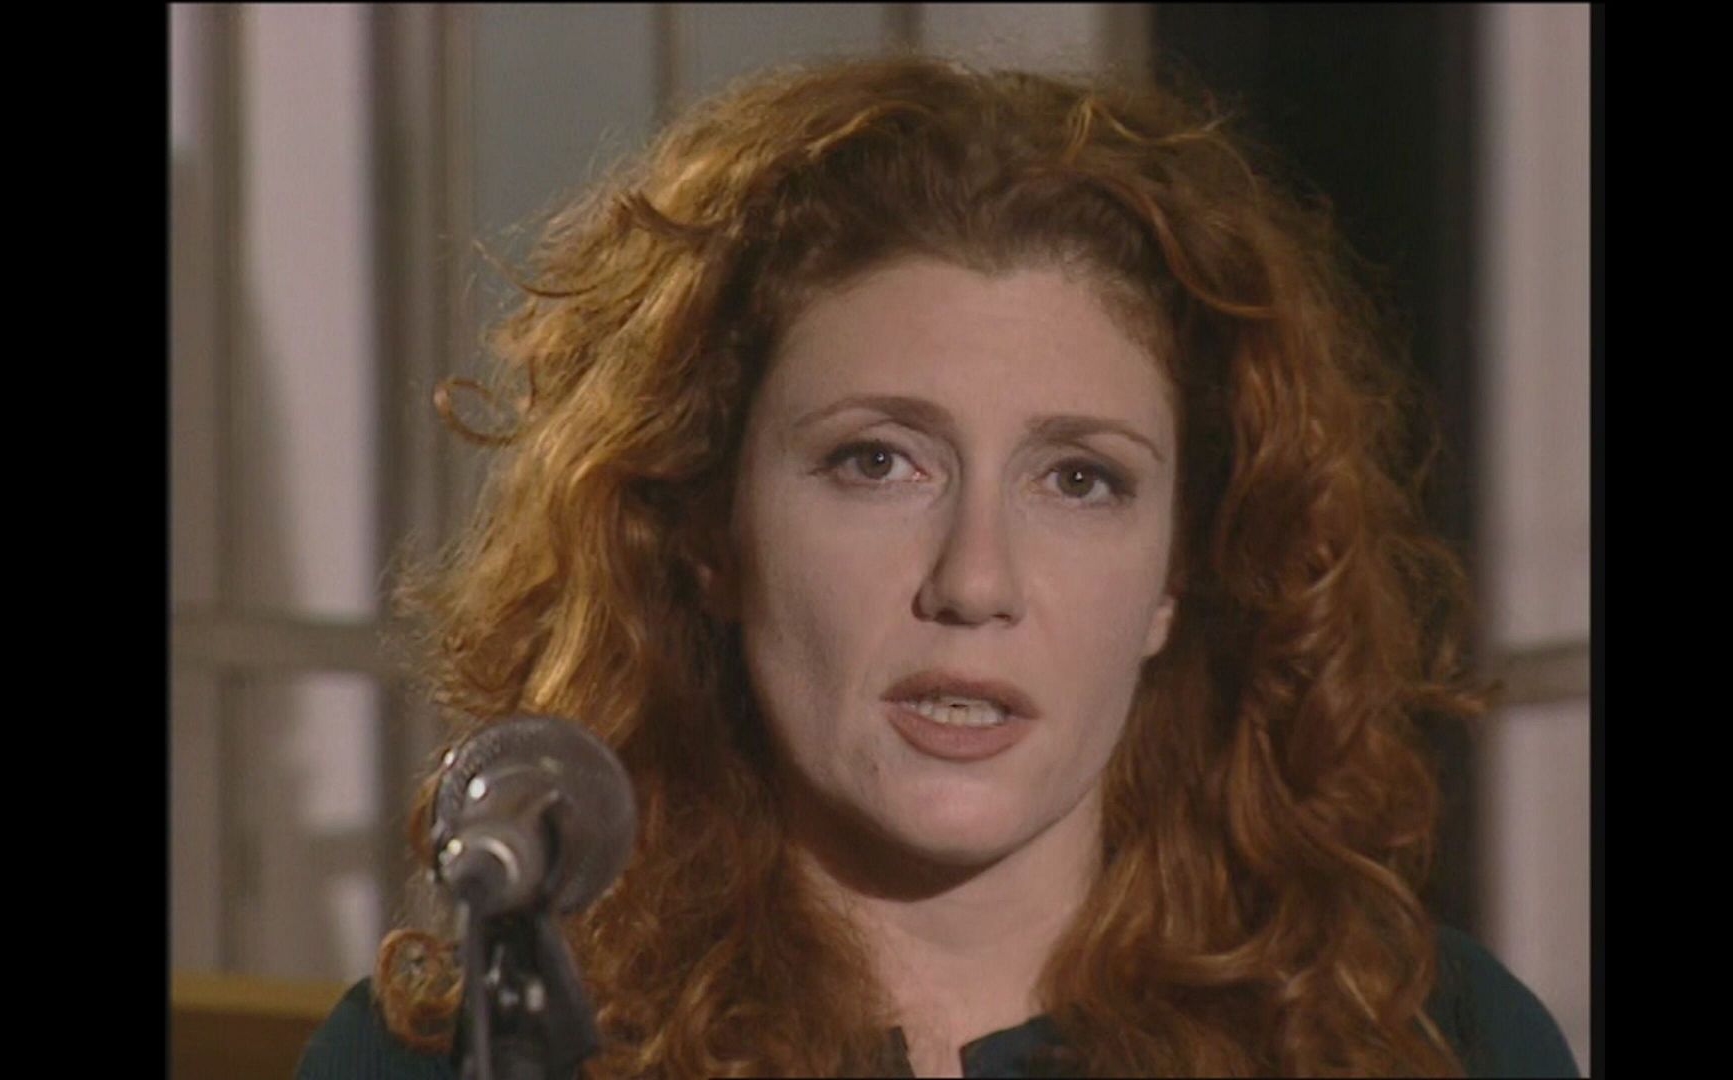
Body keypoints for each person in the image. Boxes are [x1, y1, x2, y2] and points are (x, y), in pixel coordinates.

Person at [298, 56, 1579, 1078]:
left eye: (1080, 480)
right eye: (878, 463)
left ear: (1177, 574)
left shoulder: (1424, 1040)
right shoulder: (447, 1060)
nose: (975, 582)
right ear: (705, 534)